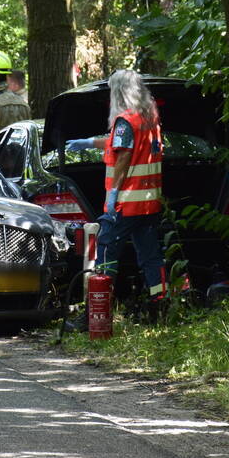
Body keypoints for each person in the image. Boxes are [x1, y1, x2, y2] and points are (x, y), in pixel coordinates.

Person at [66, 69, 167, 320]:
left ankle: (97, 311)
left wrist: (113, 193)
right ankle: (160, 306)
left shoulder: (125, 120)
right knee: (151, 256)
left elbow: (123, 156)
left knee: (106, 252)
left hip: (126, 203)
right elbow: (117, 142)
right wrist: (89, 142)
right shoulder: (149, 118)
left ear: (119, 92)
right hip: (149, 204)